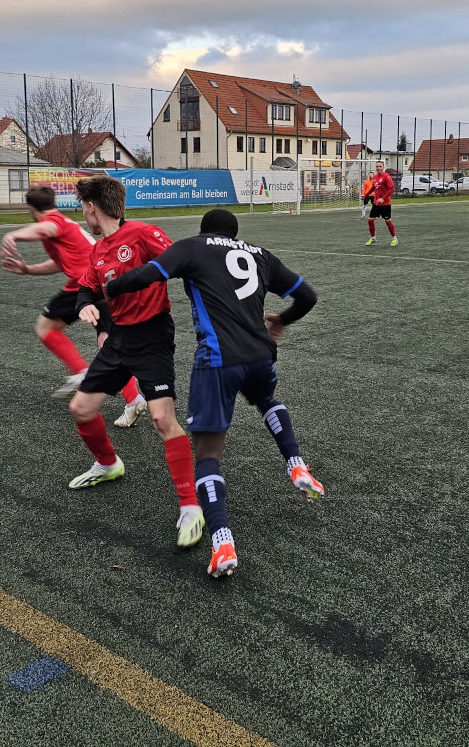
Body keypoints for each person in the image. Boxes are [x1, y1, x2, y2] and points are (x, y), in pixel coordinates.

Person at [104, 209, 323, 578]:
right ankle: (296, 464)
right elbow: (308, 296)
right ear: (234, 233)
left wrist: (108, 288)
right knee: (266, 400)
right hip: (260, 355)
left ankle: (223, 541)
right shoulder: (259, 254)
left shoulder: (193, 248)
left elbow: (145, 275)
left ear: (204, 230)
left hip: (218, 361)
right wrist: (280, 321)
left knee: (208, 454)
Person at [66, 175, 203, 548]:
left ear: (92, 206)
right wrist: (87, 304)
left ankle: (190, 506)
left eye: (83, 206)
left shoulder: (143, 233)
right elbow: (87, 287)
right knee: (81, 407)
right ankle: (109, 464)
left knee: (162, 419)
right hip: (118, 339)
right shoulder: (97, 250)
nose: (83, 212)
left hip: (152, 338)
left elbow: (182, 262)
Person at [0, 185, 146, 428]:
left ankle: (85, 373)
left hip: (88, 284)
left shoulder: (54, 222)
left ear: (30, 209)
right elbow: (60, 263)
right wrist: (28, 270)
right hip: (95, 280)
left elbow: (46, 227)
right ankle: (132, 398)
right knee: (106, 340)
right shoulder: (63, 225)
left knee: (48, 328)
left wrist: (12, 235)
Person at [365, 161, 397, 246]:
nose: (378, 168)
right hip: (376, 203)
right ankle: (373, 238)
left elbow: (391, 189)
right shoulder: (375, 177)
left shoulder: (387, 176)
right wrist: (366, 195)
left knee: (387, 221)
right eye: (377, 166)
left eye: (380, 166)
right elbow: (373, 188)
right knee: (370, 220)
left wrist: (383, 198)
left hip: (385, 204)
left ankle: (394, 238)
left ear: (383, 167)